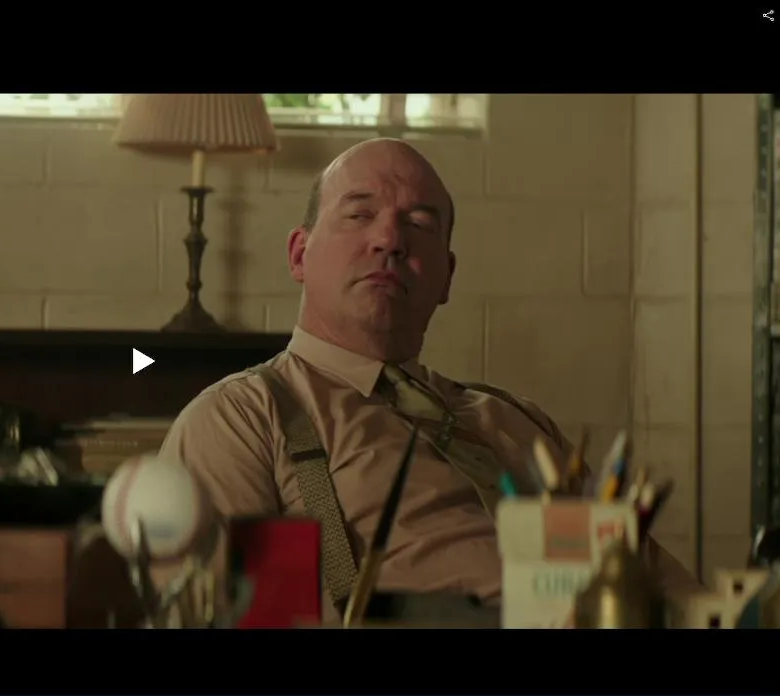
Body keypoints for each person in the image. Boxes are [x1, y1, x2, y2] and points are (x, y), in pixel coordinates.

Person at [159, 138, 700, 622]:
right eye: (359, 214)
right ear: (300, 254)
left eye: (419, 224)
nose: (390, 239)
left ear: (446, 277)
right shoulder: (243, 419)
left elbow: (678, 596)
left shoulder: (516, 419)